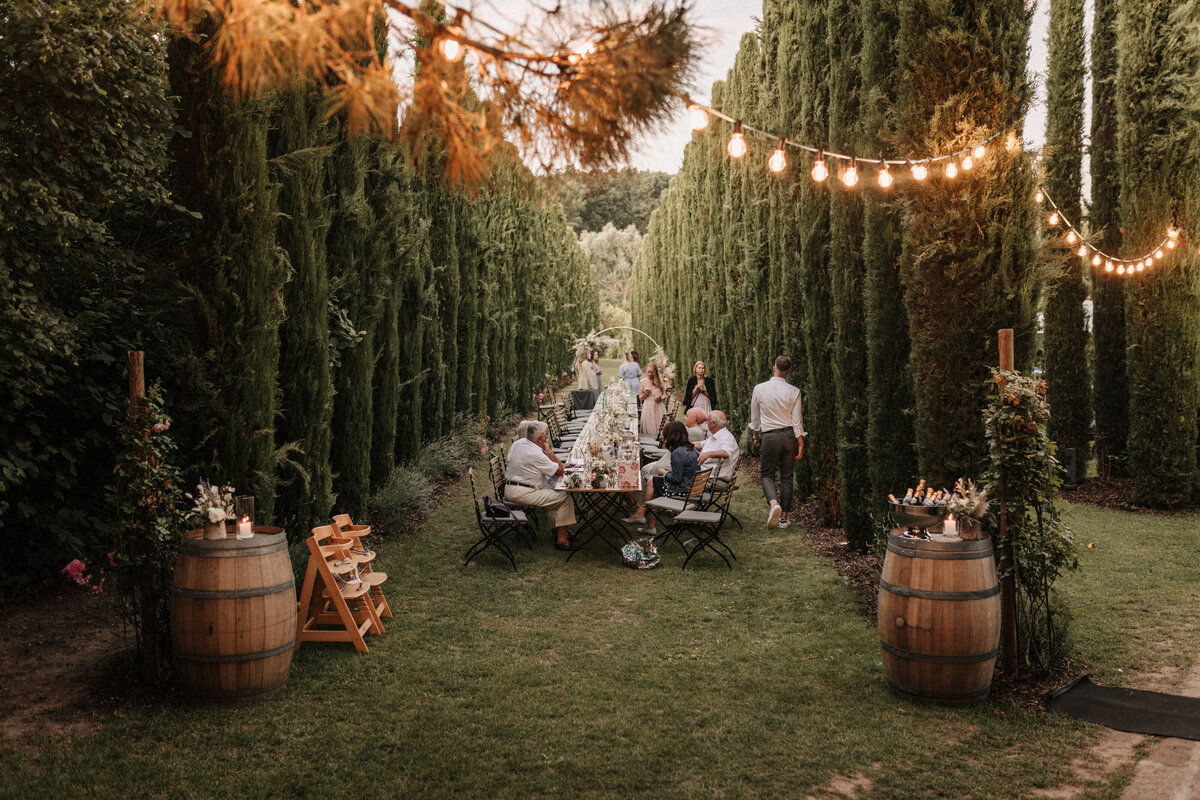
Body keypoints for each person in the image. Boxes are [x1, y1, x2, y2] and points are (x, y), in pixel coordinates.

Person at [748, 355, 806, 530]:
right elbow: (797, 421)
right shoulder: (794, 391)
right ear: (788, 372)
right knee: (787, 477)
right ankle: (784, 519)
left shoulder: (759, 389)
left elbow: (755, 419)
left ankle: (774, 505)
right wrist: (800, 441)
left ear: (774, 368)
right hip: (789, 436)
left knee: (767, 474)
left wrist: (756, 437)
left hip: (770, 437)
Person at [504, 421, 580, 550]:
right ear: (540, 439)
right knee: (565, 500)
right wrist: (550, 454)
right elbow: (560, 471)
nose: (547, 438)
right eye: (546, 436)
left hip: (511, 488)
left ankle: (558, 532)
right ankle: (562, 540)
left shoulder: (519, 443)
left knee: (552, 495)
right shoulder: (536, 453)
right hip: (524, 492)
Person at [623, 421, 698, 535]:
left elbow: (676, 479)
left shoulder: (677, 453)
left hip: (682, 490)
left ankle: (642, 515)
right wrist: (671, 472)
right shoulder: (690, 447)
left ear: (672, 435)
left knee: (652, 481)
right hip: (691, 486)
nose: (664, 438)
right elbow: (686, 471)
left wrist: (664, 473)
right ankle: (647, 523)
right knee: (653, 483)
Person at [641, 408, 707, 482]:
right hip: (681, 462)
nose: (684, 418)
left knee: (646, 469)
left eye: (687, 416)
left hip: (679, 463)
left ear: (695, 418)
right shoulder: (692, 429)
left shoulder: (692, 432)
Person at [695, 410, 740, 490]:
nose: (706, 423)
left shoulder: (725, 437)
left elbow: (726, 453)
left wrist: (708, 454)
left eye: (707, 421)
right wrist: (684, 443)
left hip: (714, 479)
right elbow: (701, 444)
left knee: (681, 480)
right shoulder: (716, 435)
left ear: (713, 423)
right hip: (706, 475)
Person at [639, 362, 666, 436]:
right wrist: (646, 394)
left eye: (652, 372)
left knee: (658, 425)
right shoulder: (642, 381)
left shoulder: (659, 381)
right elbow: (640, 397)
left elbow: (664, 394)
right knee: (649, 425)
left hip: (659, 406)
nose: (650, 374)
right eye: (648, 372)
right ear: (645, 370)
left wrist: (660, 398)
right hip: (648, 406)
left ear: (655, 372)